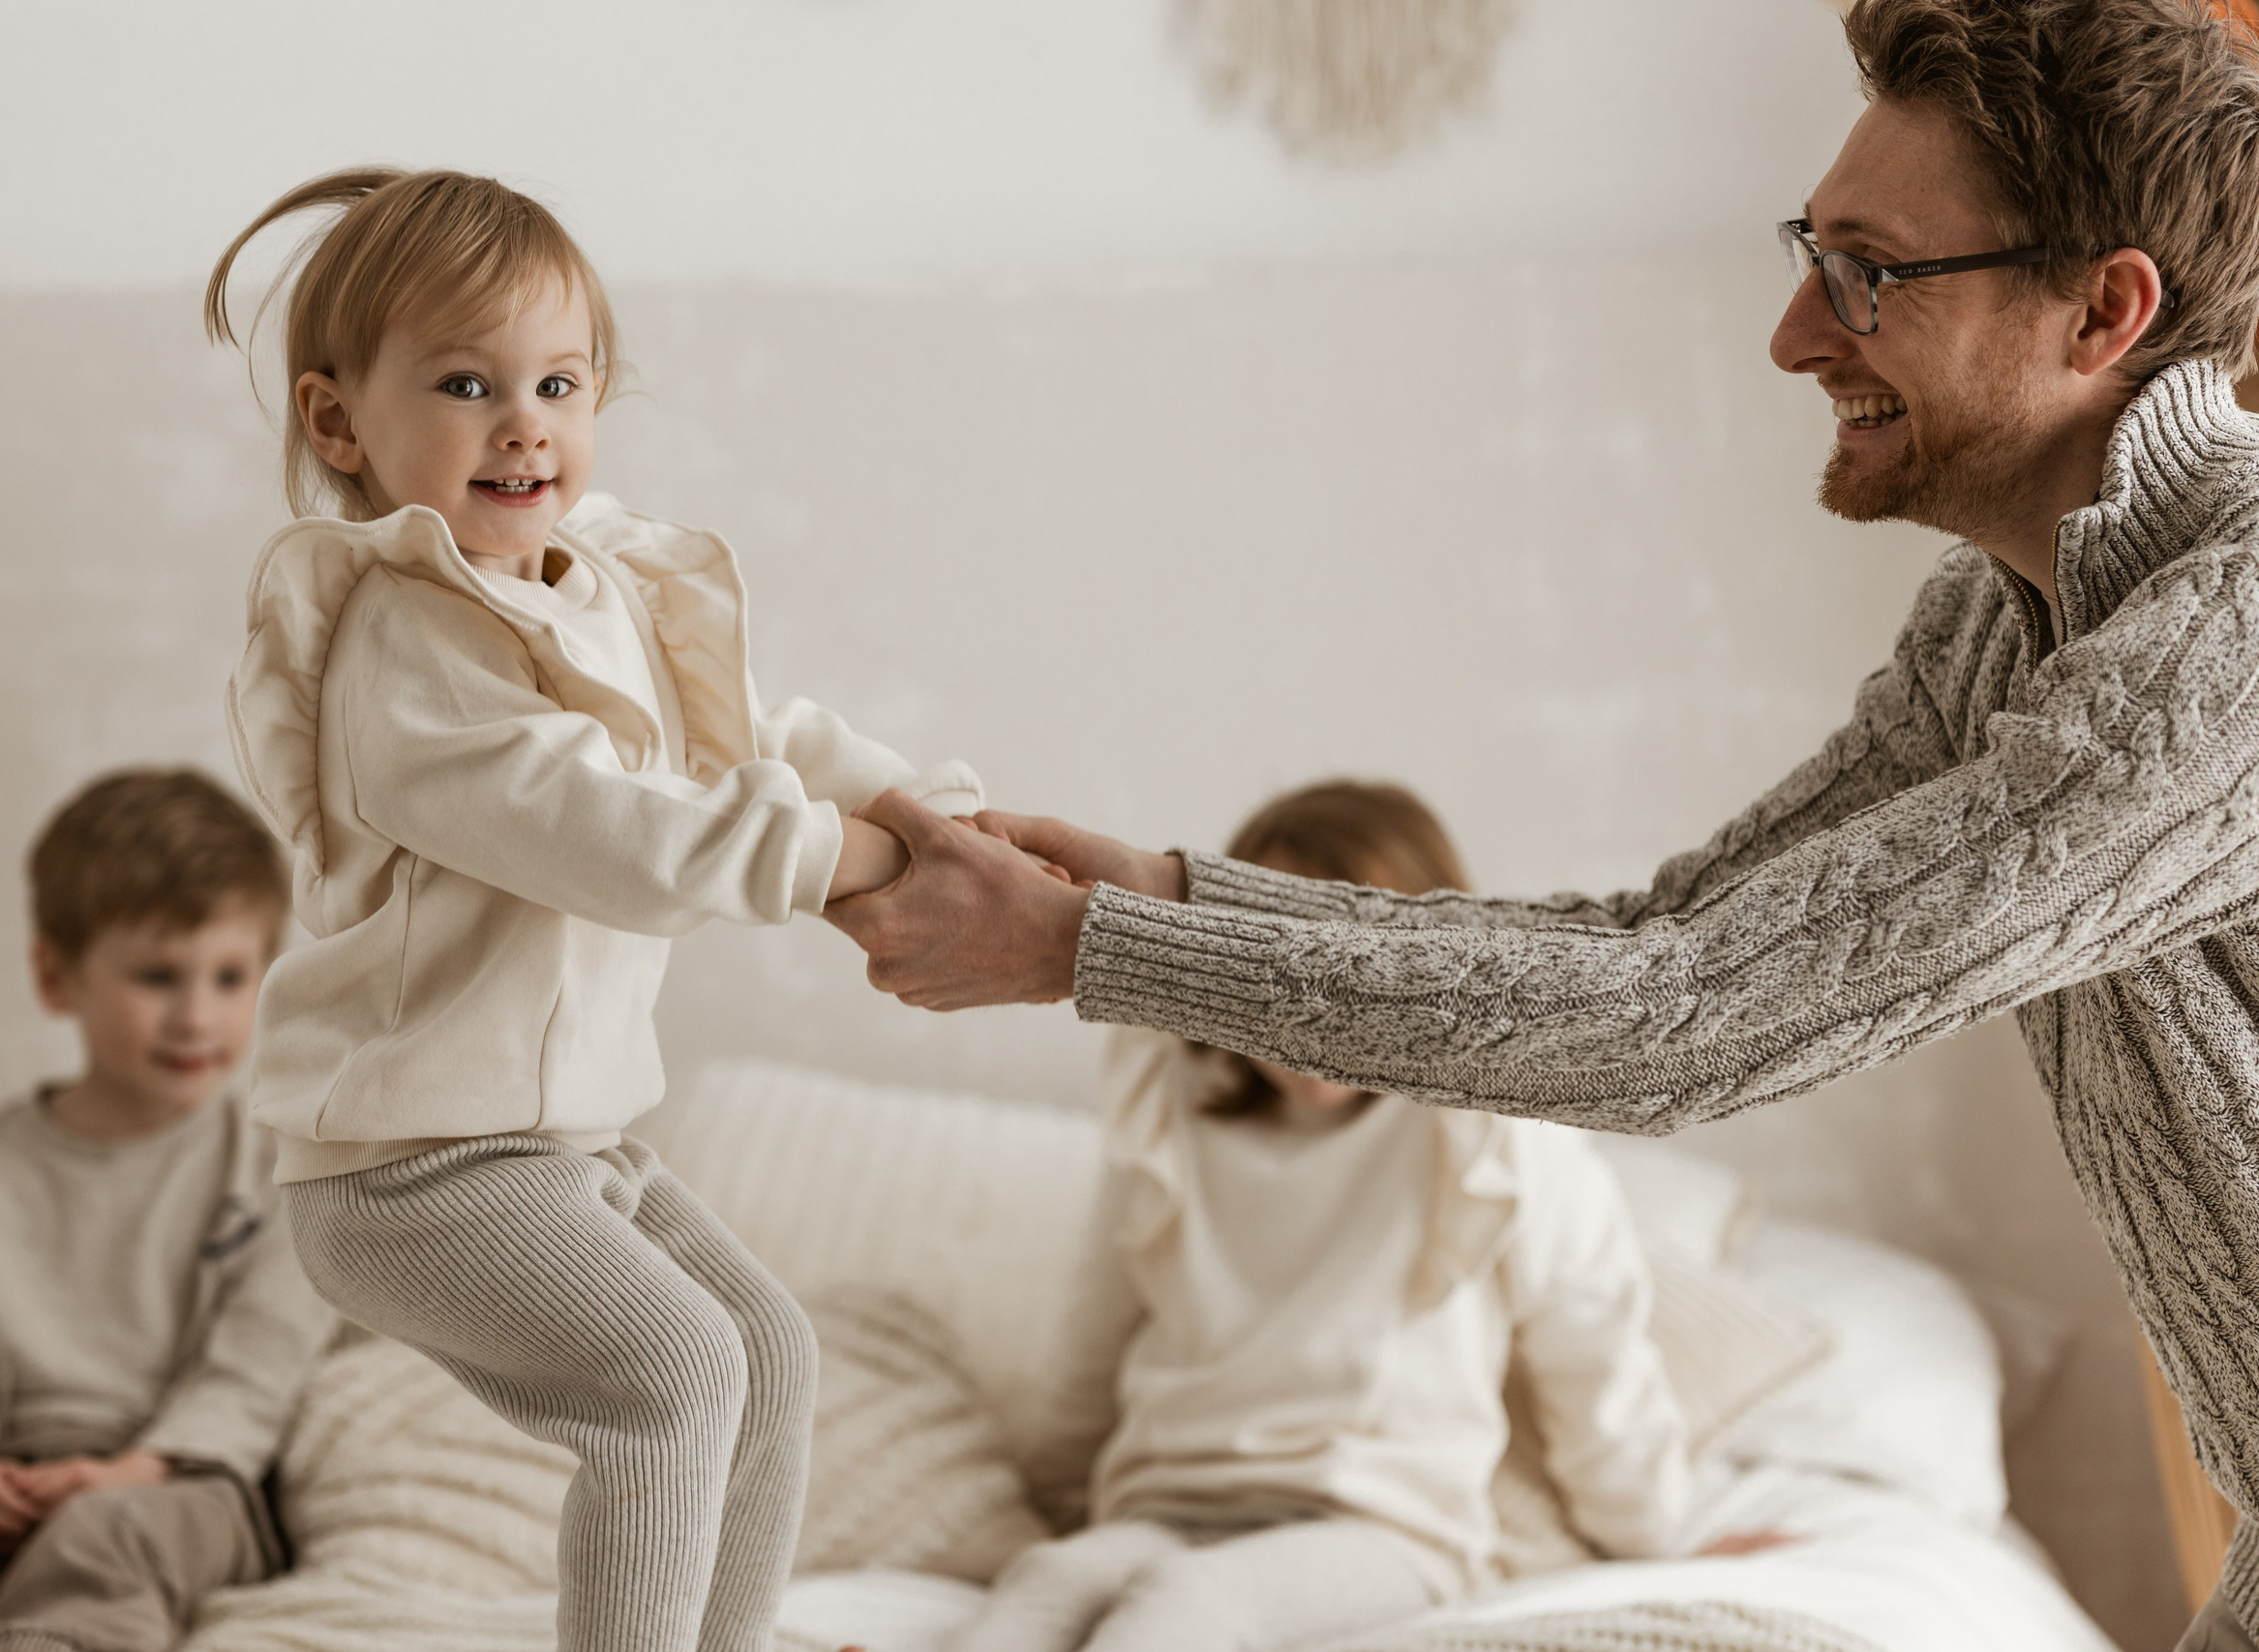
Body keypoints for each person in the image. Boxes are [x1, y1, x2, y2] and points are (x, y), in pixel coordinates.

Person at [827, 2, 2259, 1645]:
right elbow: (1661, 938)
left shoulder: (2227, 650)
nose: (1796, 331)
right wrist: (1169, 893)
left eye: (1867, 268)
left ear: (2104, 310)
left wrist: (1097, 951)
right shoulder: (1996, 625)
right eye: (1813, 251)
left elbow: (1686, 1022)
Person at [203, 168, 983, 1652]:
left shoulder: (595, 586)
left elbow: (757, 730)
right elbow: (617, 832)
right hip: (408, 1167)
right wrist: (852, 863)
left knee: (767, 1344)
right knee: (675, 1370)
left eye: (559, 382)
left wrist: (934, 816)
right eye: (466, 382)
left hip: (561, 1146)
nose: (526, 423)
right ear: (338, 424)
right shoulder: (405, 652)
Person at [955, 782, 1689, 1652]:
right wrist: (1059, 1504)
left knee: (1190, 1605)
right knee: (1050, 1580)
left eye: (1348, 977)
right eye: (1280, 979)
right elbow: (1097, 1325)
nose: (1309, 1017)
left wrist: (1659, 1539)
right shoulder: (1169, 1097)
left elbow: (1591, 1348)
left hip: (1377, 1526)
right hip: (1171, 1499)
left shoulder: (1492, 1126)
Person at [0, 768, 339, 1652]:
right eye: (159, 975)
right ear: (56, 974)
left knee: (106, 1534)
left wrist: (134, 1468)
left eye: (230, 976)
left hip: (171, 1479)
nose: (198, 1015)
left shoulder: (278, 1171)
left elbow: (254, 1371)